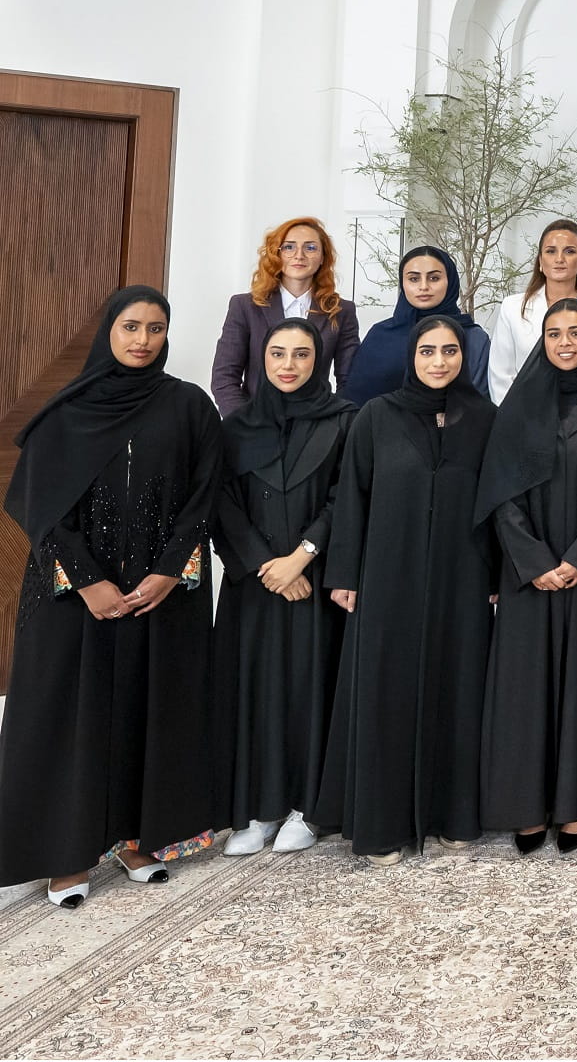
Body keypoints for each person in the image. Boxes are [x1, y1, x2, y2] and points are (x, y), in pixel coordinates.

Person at [0, 286, 222, 908]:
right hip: (76, 597)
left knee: (144, 710)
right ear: (109, 331)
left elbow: (204, 497)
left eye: (155, 328)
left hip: (159, 595)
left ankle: (135, 839)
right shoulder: (66, 413)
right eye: (130, 327)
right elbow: (41, 509)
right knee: (70, 718)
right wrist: (89, 581)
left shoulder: (188, 406)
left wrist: (169, 571)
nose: (142, 340)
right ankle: (64, 855)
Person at [312, 316, 499, 864]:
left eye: (449, 351)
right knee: (386, 690)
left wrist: (493, 578)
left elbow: (494, 507)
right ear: (410, 357)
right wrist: (344, 574)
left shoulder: (484, 418)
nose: (438, 361)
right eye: (427, 351)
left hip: (462, 578)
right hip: (388, 576)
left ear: (463, 356)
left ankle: (453, 814)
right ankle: (382, 822)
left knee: (458, 686)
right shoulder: (377, 416)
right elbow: (353, 497)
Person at [475, 300, 577, 855]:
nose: (566, 342)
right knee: (526, 687)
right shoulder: (518, 405)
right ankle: (525, 804)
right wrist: (535, 559)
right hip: (529, 572)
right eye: (554, 333)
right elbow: (500, 492)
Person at [213, 318, 357, 857]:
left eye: (301, 354)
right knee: (255, 690)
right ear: (262, 359)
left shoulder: (345, 421)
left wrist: (300, 558)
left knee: (308, 685)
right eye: (277, 354)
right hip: (255, 585)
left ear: (318, 361)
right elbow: (220, 503)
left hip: (314, 582)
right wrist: (263, 565)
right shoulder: (238, 425)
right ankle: (258, 806)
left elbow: (348, 497)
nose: (289, 365)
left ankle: (307, 807)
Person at [212, 217, 361, 415]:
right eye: (289, 247)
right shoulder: (245, 306)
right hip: (255, 422)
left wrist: (334, 424)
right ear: (277, 254)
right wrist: (244, 425)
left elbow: (349, 380)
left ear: (323, 256)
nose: (299, 255)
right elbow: (224, 378)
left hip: (317, 424)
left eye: (310, 248)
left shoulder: (342, 311)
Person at [340, 246, 492, 404]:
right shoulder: (380, 334)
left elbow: (478, 402)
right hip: (380, 427)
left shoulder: (473, 338)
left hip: (454, 426)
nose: (424, 286)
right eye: (414, 279)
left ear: (450, 281)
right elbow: (356, 398)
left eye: (434, 278)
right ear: (403, 283)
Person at [487, 219, 577, 402]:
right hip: (526, 414)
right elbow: (500, 375)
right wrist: (515, 419)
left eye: (569, 251)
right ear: (540, 260)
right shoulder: (512, 308)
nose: (559, 259)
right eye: (551, 251)